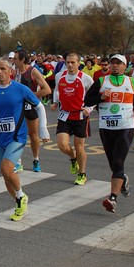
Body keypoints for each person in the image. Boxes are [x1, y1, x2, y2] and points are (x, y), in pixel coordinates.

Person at [0, 58, 50, 221]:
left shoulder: (20, 89)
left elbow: (39, 107)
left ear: (10, 72)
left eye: (2, 69)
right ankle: (18, 202)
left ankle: (21, 197)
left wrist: (43, 129)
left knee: (8, 168)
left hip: (17, 137)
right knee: (5, 173)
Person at [84, 54, 134, 213]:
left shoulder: (132, 82)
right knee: (114, 164)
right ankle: (123, 178)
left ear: (124, 66)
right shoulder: (101, 81)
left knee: (119, 162)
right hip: (106, 127)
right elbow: (87, 100)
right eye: (112, 63)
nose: (114, 66)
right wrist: (100, 96)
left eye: (118, 63)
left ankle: (113, 198)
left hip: (126, 126)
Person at [51, 53, 94, 185]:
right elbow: (57, 90)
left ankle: (82, 174)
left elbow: (94, 96)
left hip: (80, 116)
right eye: (67, 62)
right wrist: (55, 101)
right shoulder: (59, 76)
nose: (69, 65)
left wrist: (89, 108)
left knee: (79, 146)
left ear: (78, 63)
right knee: (62, 145)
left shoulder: (85, 78)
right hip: (64, 115)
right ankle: (73, 157)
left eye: (72, 62)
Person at [13, 49, 52, 173]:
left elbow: (47, 90)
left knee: (33, 135)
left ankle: (36, 159)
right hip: (18, 107)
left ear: (22, 60)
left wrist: (30, 96)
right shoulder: (15, 72)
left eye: (15, 58)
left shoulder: (33, 71)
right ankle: (18, 162)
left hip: (31, 107)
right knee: (16, 134)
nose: (13, 61)